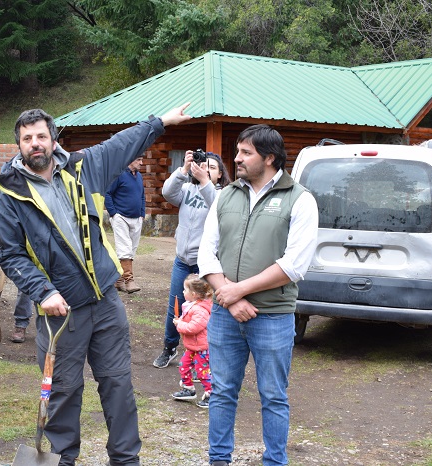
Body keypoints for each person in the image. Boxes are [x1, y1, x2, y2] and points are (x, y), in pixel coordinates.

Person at [0, 103, 192, 466]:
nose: (35, 144)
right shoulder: (9, 193)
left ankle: (125, 460)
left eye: (41, 136)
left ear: (54, 140)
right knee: (64, 394)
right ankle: (61, 461)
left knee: (119, 387)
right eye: (27, 139)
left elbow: (122, 144)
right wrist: (44, 292)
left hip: (105, 303)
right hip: (60, 313)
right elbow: (10, 255)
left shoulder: (83, 168)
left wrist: (160, 122)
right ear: (19, 145)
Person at [197, 124, 319, 466]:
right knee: (221, 393)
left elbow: (294, 264)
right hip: (225, 314)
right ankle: (218, 460)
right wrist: (230, 297)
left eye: (245, 152)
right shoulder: (226, 195)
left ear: (269, 158)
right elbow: (206, 253)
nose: (236, 159)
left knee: (273, 396)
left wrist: (238, 291)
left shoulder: (300, 199)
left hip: (274, 317)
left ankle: (274, 462)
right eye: (237, 151)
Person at [153, 151, 229, 368]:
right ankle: (169, 348)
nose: (206, 169)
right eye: (203, 165)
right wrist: (184, 169)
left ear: (220, 174)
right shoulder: (187, 189)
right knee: (176, 305)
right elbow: (168, 193)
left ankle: (203, 355)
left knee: (204, 309)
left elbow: (219, 209)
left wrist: (206, 181)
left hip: (205, 263)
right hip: (182, 259)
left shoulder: (223, 194)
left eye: (212, 167)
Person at [171, 274, 213, 408]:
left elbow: (195, 327)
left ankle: (211, 394)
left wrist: (179, 325)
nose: (183, 292)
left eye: (185, 290)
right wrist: (181, 321)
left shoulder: (200, 310)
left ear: (194, 294)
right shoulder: (191, 306)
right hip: (192, 347)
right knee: (184, 366)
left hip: (202, 348)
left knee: (203, 372)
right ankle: (188, 389)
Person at [106, 156, 145, 293]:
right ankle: (129, 280)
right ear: (130, 160)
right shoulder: (119, 174)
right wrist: (113, 213)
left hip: (136, 218)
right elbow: (108, 193)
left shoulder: (139, 176)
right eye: (139, 160)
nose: (142, 163)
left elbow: (141, 196)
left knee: (132, 250)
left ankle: (118, 281)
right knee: (125, 248)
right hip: (121, 217)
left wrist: (142, 213)